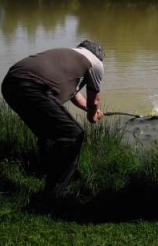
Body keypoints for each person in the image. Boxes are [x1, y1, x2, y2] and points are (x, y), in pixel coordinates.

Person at [1, 39, 105, 200]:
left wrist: (91, 109)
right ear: (99, 56)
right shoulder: (96, 63)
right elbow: (95, 100)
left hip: (10, 83)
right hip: (33, 87)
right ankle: (55, 194)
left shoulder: (67, 54)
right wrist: (92, 116)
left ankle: (49, 172)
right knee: (73, 134)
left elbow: (74, 92)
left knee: (50, 134)